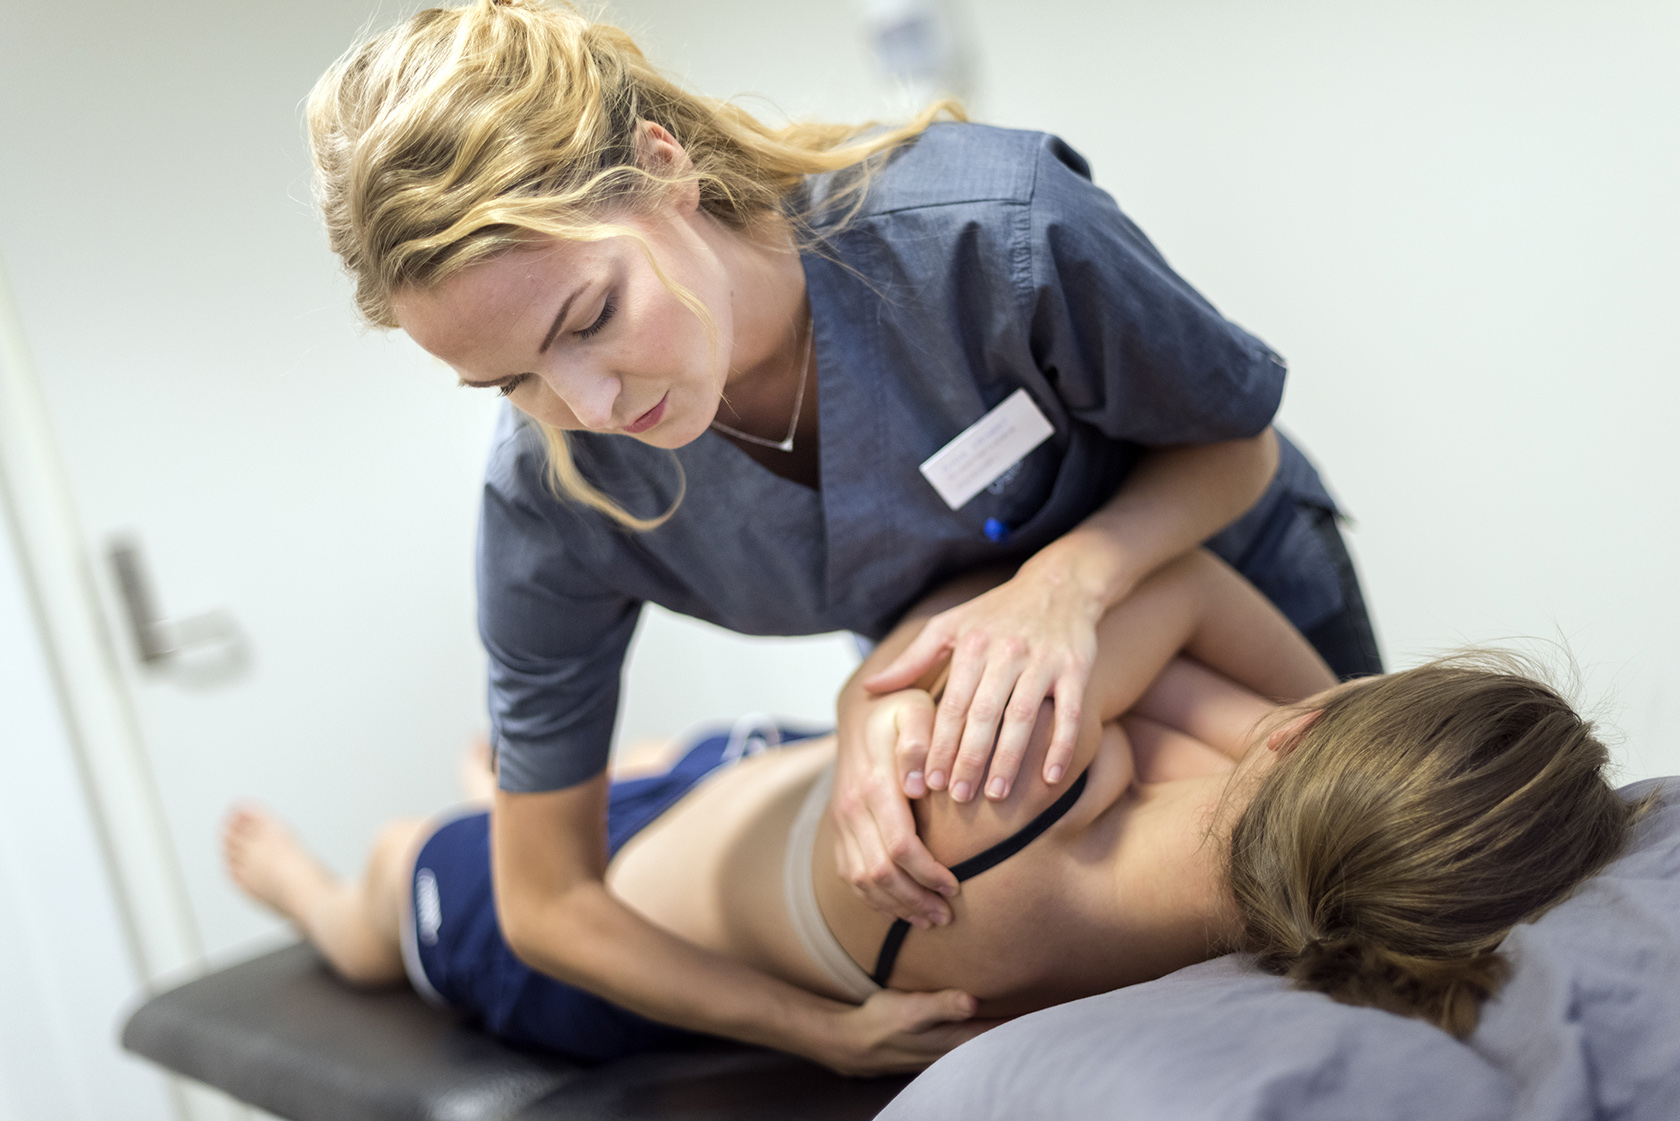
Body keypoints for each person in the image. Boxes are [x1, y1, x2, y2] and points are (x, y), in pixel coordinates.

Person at [305, 0, 1383, 1066]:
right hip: (973, 666)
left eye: (591, 318)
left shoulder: (985, 229)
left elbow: (1236, 445)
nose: (586, 405)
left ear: (663, 167)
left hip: (1220, 571)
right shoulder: (554, 495)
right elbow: (544, 899)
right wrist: (814, 1029)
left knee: (1366, 893)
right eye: (512, 381)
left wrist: (1070, 583)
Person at [223, 549, 1640, 1070]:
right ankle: (510, 792)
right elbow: (1192, 635)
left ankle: (324, 894)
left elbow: (1175, 590)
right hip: (766, 782)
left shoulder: (1023, 798)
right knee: (647, 757)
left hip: (625, 926)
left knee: (396, 873)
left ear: (1317, 732)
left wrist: (1232, 705)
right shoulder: (1252, 889)